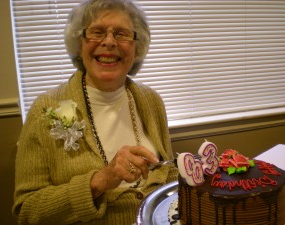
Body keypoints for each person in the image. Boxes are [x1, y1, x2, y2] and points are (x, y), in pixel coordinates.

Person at [12, 0, 178, 224]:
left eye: (121, 34)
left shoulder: (151, 101)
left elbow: (167, 176)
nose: (109, 42)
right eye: (97, 32)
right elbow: (27, 211)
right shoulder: (46, 109)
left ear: (136, 47)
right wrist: (100, 180)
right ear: (79, 44)